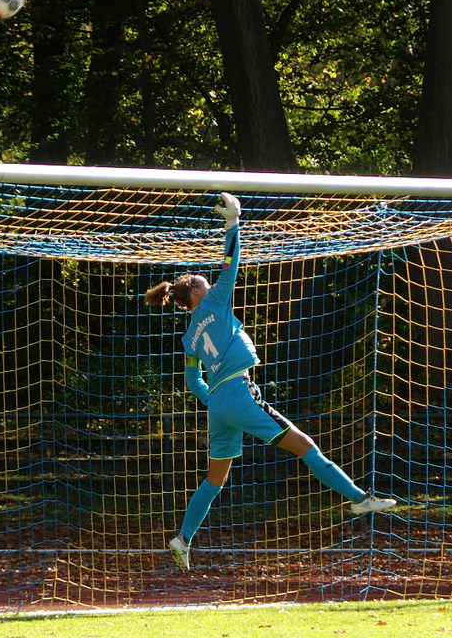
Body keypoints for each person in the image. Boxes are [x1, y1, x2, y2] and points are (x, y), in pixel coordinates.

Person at [145, 192, 397, 570]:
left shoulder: (188, 338)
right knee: (305, 445)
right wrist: (233, 223)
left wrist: (214, 401)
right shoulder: (216, 303)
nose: (212, 285)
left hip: (218, 405)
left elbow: (192, 380)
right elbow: (231, 264)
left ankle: (182, 539)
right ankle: (359, 497)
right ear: (197, 293)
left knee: (214, 481)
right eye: (205, 284)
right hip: (239, 393)